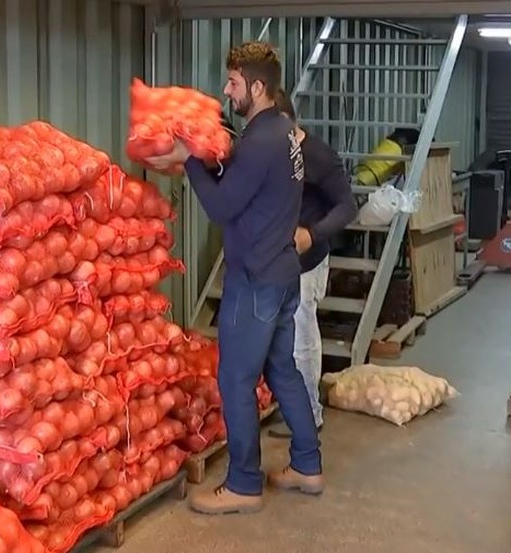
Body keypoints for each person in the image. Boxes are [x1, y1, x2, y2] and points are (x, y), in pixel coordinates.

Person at [145, 41, 324, 515]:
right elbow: (251, 183)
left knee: (235, 378)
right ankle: (307, 464)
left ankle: (244, 484)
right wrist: (212, 158)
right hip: (285, 272)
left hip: (258, 277)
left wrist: (187, 160)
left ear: (258, 86)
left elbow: (223, 207)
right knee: (281, 369)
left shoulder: (262, 141)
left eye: (234, 82)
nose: (227, 91)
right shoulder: (283, 132)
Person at [268, 88, 357, 438]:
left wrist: (313, 233)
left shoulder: (318, 156)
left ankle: (308, 416)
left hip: (306, 263)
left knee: (301, 337)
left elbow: (347, 207)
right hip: (275, 262)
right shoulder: (271, 156)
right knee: (281, 341)